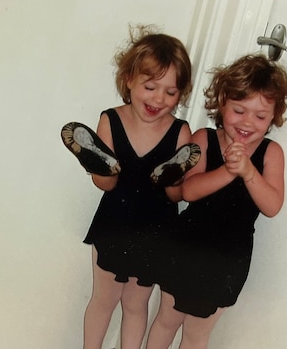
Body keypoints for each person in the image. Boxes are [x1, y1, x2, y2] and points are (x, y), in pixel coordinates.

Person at [60, 26, 201, 349]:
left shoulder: (181, 132)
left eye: (170, 92)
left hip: (156, 228)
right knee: (103, 299)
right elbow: (106, 185)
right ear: (129, 80)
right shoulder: (110, 120)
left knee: (136, 304)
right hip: (115, 221)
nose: (158, 99)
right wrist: (100, 169)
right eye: (150, 87)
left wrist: (175, 179)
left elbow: (176, 196)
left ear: (181, 94)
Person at [145, 54, 287, 349]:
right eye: (239, 110)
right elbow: (188, 191)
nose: (248, 122)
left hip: (228, 258)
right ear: (223, 102)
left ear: (273, 117)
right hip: (186, 246)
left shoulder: (270, 153)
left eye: (260, 116)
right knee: (166, 320)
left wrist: (248, 171)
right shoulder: (204, 139)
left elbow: (272, 205)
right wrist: (228, 171)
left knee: (198, 333)